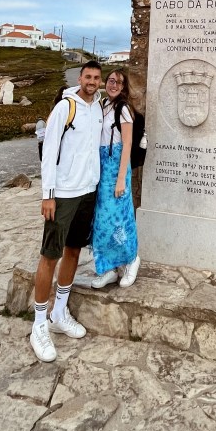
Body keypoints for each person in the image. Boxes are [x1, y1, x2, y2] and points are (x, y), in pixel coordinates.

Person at [30, 61, 103, 363]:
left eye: (97, 78)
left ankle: (59, 312)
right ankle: (38, 324)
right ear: (80, 78)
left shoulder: (98, 108)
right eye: (88, 77)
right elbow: (49, 152)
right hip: (63, 194)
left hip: (88, 191)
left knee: (73, 251)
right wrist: (47, 194)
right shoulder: (65, 107)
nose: (92, 82)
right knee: (51, 255)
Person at [90, 69, 141, 290]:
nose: (113, 85)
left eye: (119, 82)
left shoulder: (124, 110)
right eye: (111, 80)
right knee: (102, 221)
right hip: (100, 169)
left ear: (123, 87)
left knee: (120, 218)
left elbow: (127, 144)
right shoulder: (102, 105)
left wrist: (121, 179)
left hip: (116, 169)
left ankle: (131, 260)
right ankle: (108, 267)